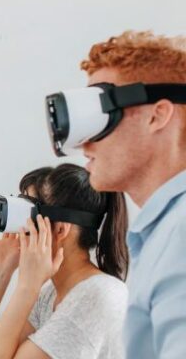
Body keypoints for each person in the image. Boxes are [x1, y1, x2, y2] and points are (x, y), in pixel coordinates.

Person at [78, 31, 186, 358]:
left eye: (102, 117)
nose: (84, 143)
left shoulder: (181, 233)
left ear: (157, 115)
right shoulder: (161, 233)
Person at [0, 164, 128, 359]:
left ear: (60, 229)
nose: (20, 230)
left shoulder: (96, 296)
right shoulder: (50, 295)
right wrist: (0, 272)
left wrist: (27, 287)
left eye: (29, 217)